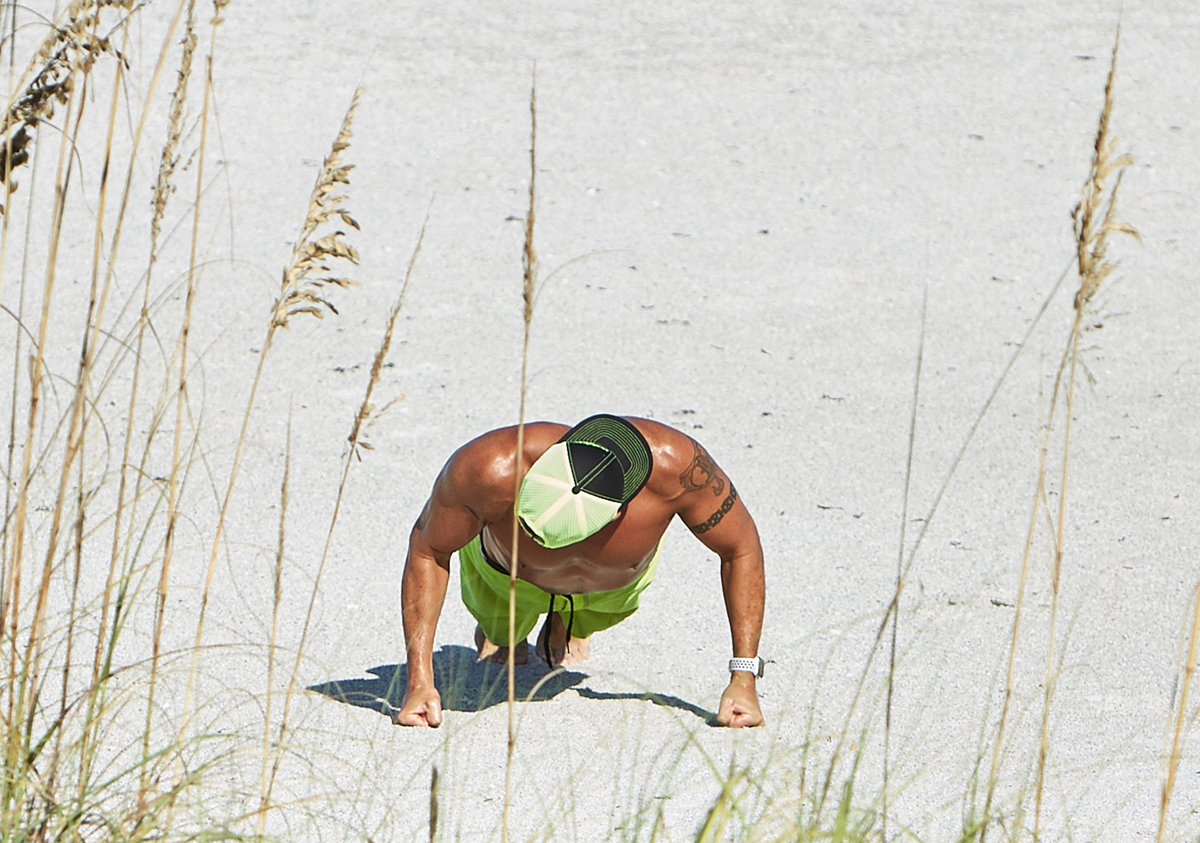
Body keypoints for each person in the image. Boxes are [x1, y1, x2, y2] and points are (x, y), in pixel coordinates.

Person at [396, 413, 766, 728]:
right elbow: (428, 549)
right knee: (503, 641)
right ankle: (507, 631)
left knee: (590, 615)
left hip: (610, 590)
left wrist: (744, 676)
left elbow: (740, 547)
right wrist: (419, 681)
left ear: (618, 511)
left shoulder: (679, 468)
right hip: (508, 576)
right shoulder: (491, 469)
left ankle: (569, 622)